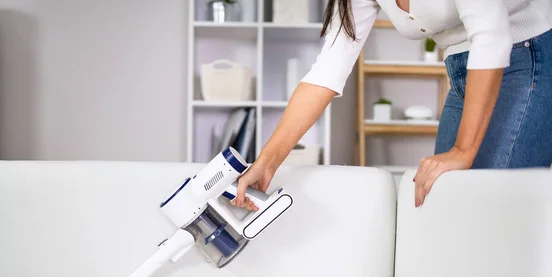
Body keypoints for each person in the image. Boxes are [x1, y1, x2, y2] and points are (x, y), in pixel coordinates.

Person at [233, 0, 552, 210]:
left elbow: (491, 39)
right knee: (443, 202)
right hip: (464, 71)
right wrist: (268, 161)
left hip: (525, 59)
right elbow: (327, 72)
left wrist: (462, 151)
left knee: (491, 210)